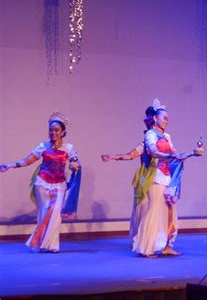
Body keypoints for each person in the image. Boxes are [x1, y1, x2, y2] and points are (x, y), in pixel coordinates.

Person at [0, 112, 81, 252]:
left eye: (56, 130)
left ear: (63, 133)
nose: (53, 132)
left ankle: (52, 244)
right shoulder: (43, 146)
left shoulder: (68, 148)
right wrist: (10, 165)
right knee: (44, 212)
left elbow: (74, 160)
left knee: (55, 213)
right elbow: (27, 160)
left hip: (59, 184)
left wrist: (75, 165)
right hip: (43, 183)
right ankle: (41, 243)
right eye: (51, 130)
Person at [132, 99, 203, 257]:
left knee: (170, 213)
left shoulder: (167, 136)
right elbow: (153, 152)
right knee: (154, 210)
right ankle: (146, 247)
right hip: (155, 177)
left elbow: (176, 155)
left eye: (167, 118)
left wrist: (193, 153)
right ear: (155, 119)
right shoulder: (151, 134)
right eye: (163, 117)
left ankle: (166, 246)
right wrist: (170, 155)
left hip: (167, 178)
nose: (166, 120)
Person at [101, 106, 155, 243]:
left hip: (160, 177)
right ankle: (141, 239)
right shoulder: (145, 144)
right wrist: (113, 157)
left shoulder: (164, 141)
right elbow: (131, 155)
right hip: (146, 176)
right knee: (143, 207)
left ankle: (155, 239)